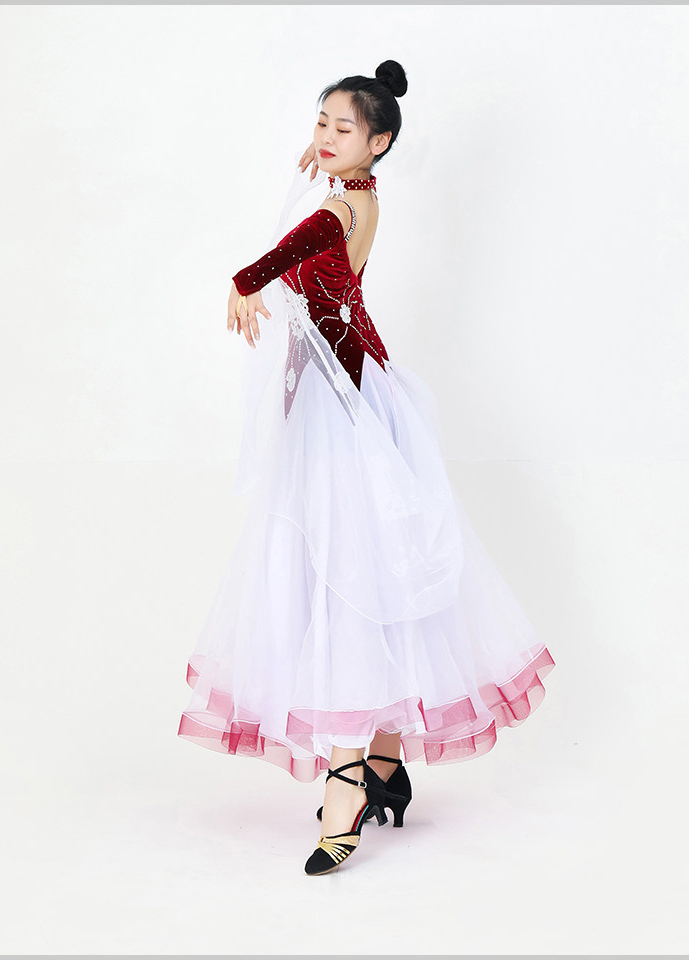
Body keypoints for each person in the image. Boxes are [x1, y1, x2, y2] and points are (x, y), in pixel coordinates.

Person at [177, 60, 556, 876]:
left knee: (343, 577)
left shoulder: (341, 210)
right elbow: (314, 232)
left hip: (343, 409)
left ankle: (347, 782)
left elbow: (285, 252)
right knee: (364, 571)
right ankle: (383, 763)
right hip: (342, 396)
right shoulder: (358, 193)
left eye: (342, 128)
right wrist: (315, 161)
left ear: (378, 141)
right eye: (320, 122)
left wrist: (243, 282)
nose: (324, 136)